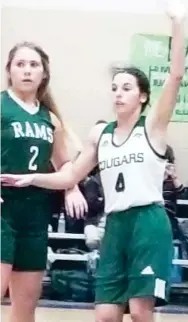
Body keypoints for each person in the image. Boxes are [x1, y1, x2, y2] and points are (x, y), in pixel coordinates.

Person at [1, 2, 186, 321]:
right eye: (114, 88)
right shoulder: (100, 135)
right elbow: (71, 173)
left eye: (126, 88)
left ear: (142, 96)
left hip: (146, 221)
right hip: (111, 224)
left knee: (141, 312)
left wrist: (179, 25)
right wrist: (34, 178)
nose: (118, 93)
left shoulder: (152, 128)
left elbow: (175, 74)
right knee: (105, 314)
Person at [0, 41, 88, 322]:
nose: (27, 71)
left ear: (44, 74)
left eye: (33, 65)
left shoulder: (50, 118)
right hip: (3, 211)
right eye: (20, 64)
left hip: (36, 215)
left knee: (25, 310)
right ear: (9, 71)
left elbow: (64, 164)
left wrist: (72, 186)